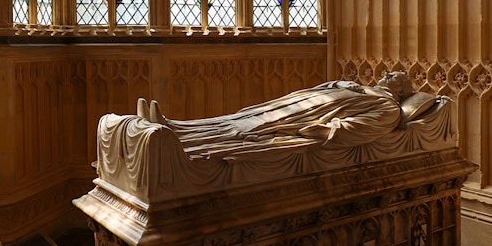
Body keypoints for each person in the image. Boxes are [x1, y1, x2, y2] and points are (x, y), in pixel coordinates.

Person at [143, 71, 424, 158]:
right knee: (242, 117)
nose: (388, 74)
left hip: (307, 117)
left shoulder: (388, 107)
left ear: (400, 92)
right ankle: (175, 127)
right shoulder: (360, 86)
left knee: (248, 130)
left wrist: (328, 131)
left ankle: (182, 146)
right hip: (299, 103)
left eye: (396, 77)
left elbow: (363, 128)